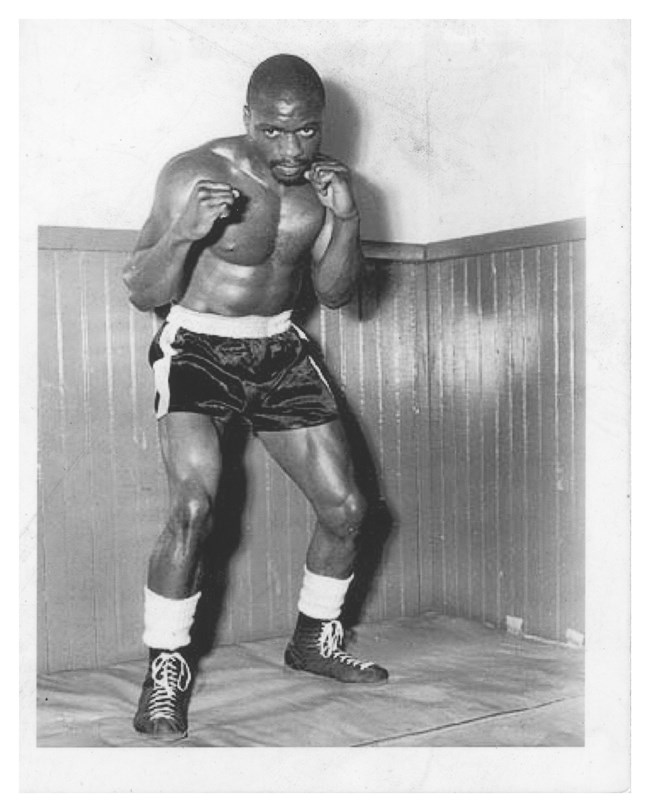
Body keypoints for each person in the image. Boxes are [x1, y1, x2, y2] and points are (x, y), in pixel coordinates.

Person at [123, 53, 387, 741]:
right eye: (273, 132)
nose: (293, 149)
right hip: (199, 347)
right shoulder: (194, 172)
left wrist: (348, 220)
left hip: (279, 347)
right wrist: (185, 231)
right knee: (191, 505)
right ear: (247, 120)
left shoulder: (322, 186)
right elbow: (145, 291)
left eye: (306, 131)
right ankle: (165, 671)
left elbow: (334, 294)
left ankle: (312, 640)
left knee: (350, 508)